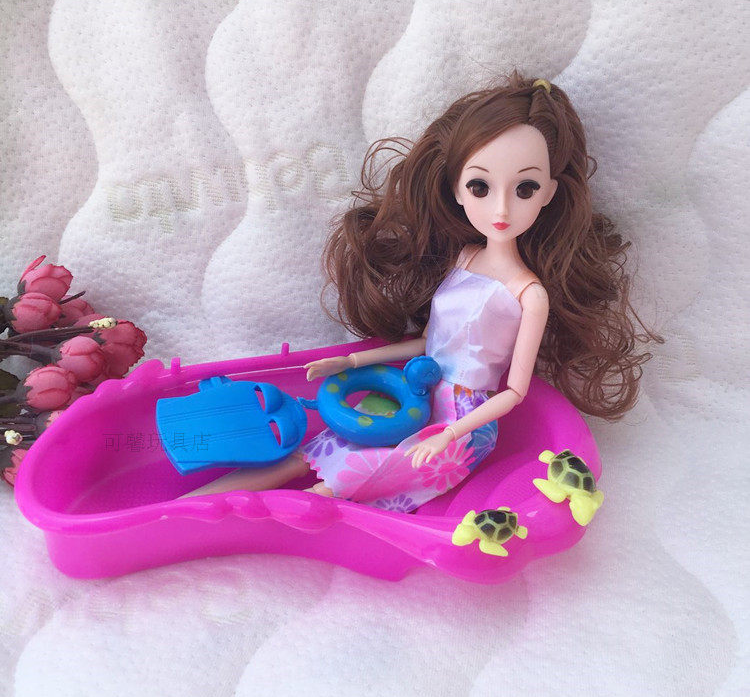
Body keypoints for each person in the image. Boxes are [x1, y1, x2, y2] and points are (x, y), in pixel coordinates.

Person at [182, 72, 661, 510]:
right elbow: (430, 342)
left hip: (462, 422)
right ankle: (176, 512)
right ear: (456, 188)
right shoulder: (465, 258)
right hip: (414, 389)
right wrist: (350, 361)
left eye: (524, 189)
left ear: (549, 194)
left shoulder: (529, 294)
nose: (501, 209)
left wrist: (449, 434)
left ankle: (244, 526)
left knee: (334, 488)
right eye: (480, 186)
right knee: (311, 453)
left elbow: (515, 392)